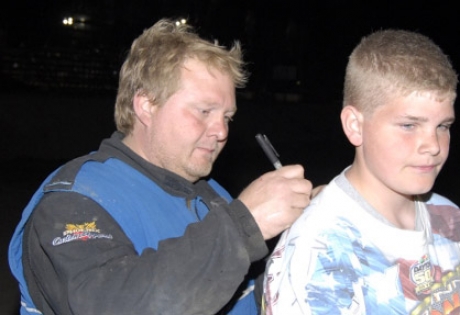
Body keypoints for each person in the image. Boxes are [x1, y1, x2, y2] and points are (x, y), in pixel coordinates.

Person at [9, 19, 313, 315]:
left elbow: (248, 295)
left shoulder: (211, 196)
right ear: (147, 105)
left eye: (227, 117)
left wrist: (310, 231)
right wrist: (246, 225)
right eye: (204, 111)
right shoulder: (74, 202)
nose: (221, 131)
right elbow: (114, 304)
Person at [262, 29, 460, 314]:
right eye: (409, 125)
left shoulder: (450, 220)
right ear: (355, 125)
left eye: (443, 126)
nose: (433, 145)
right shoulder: (320, 251)